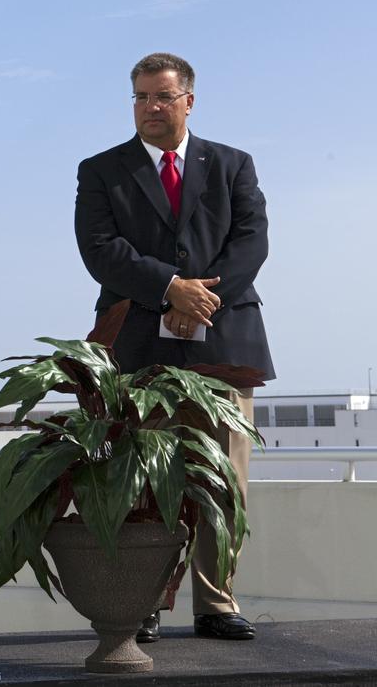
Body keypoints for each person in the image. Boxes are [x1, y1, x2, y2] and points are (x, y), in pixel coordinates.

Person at [74, 52, 273, 643]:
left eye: (161, 97)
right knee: (140, 476)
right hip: (136, 343)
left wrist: (200, 301)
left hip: (225, 343)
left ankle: (216, 604)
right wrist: (168, 290)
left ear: (188, 100)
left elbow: (251, 240)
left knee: (223, 478)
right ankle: (144, 603)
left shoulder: (233, 165)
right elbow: (99, 249)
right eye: (139, 97)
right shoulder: (101, 169)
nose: (149, 108)